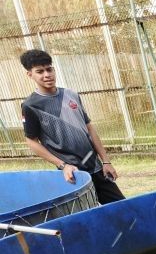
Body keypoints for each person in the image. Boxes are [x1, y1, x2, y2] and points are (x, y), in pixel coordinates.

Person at [19, 49, 124, 204]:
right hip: (73, 174)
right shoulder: (30, 106)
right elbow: (32, 141)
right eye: (40, 71)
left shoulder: (71, 95)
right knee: (88, 216)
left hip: (96, 167)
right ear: (30, 75)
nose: (47, 75)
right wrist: (63, 165)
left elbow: (89, 128)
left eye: (49, 69)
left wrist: (106, 161)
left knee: (122, 208)